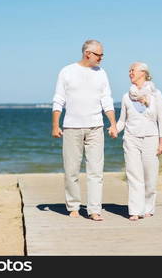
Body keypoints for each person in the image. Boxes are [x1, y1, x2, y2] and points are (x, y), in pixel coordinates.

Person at [52, 40, 117, 221]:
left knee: (96, 171)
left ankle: (94, 209)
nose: (101, 58)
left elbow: (107, 100)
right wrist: (55, 125)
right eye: (99, 55)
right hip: (72, 127)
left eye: (102, 55)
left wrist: (113, 123)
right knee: (71, 170)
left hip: (96, 127)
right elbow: (58, 99)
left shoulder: (102, 73)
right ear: (87, 53)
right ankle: (73, 206)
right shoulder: (67, 71)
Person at [116, 62, 162, 221]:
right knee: (133, 175)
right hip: (131, 139)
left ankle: (148, 207)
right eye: (129, 70)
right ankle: (135, 210)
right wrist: (114, 129)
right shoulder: (126, 96)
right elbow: (122, 121)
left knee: (150, 176)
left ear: (143, 72)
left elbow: (160, 119)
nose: (130, 73)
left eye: (133, 70)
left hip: (150, 138)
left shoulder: (156, 94)